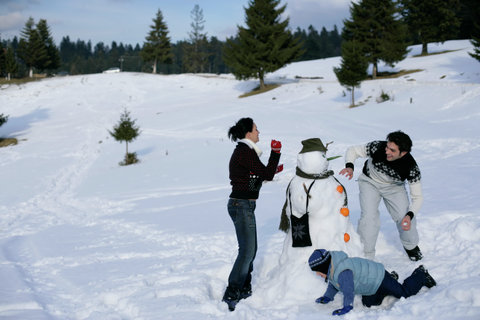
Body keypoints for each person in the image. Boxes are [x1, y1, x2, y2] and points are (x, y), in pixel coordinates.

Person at [222, 117, 283, 311]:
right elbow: (266, 174)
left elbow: (254, 178)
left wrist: (271, 168)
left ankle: (244, 288)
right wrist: (275, 153)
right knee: (247, 251)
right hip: (241, 205)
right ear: (248, 133)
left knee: (251, 249)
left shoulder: (246, 152)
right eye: (256, 129)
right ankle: (232, 292)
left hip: (244, 204)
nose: (259, 132)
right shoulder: (244, 151)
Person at [339, 131, 424, 261]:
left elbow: (417, 197)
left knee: (405, 218)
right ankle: (366, 255)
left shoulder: (411, 167)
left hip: (394, 188)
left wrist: (410, 214)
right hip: (369, 182)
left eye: (392, 150)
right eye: (387, 147)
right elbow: (353, 150)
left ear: (403, 153)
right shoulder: (377, 147)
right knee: (369, 218)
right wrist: (349, 166)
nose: (387, 151)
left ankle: (411, 246)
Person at [308, 249, 436, 316]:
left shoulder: (342, 271)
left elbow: (348, 291)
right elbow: (333, 284)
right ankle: (391, 279)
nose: (317, 274)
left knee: (404, 293)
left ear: (323, 267)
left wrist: (347, 306)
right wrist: (327, 297)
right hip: (371, 284)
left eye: (317, 271)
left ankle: (421, 274)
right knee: (369, 303)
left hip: (378, 276)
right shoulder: (332, 269)